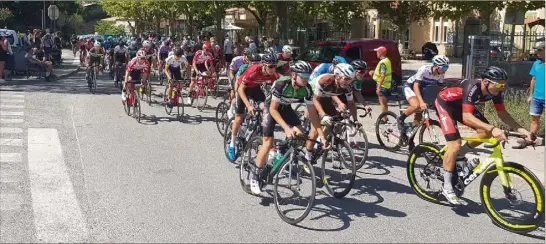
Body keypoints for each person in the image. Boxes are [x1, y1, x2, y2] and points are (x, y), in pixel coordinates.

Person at [434, 66, 531, 205]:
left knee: (484, 132)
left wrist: (521, 129)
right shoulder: (473, 86)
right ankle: (447, 187)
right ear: (485, 81)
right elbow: (467, 117)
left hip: (461, 107)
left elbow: (502, 114)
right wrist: (493, 129)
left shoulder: (495, 91)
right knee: (454, 145)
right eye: (498, 84)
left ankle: (460, 155)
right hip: (445, 104)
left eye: (504, 84)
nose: (501, 88)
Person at [250, 61, 323, 194]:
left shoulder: (307, 89)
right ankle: (254, 176)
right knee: (267, 143)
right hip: (271, 108)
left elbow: (313, 114)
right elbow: (273, 109)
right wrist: (286, 128)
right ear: (294, 75)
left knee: (300, 133)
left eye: (308, 77)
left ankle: (281, 150)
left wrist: (322, 136)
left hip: (286, 108)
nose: (306, 80)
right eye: (304, 77)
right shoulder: (282, 84)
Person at [226, 53, 280, 161]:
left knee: (265, 111)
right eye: (270, 66)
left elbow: (278, 88)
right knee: (239, 117)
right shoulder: (253, 70)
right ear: (264, 65)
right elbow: (241, 89)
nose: (273, 69)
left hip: (255, 89)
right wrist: (249, 106)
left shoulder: (273, 74)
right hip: (243, 89)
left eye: (275, 66)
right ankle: (232, 144)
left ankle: (263, 139)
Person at [397, 55, 450, 140]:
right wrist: (421, 102)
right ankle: (400, 119)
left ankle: (410, 140)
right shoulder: (424, 69)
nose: (445, 70)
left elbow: (440, 89)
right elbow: (415, 86)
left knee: (418, 118)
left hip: (420, 89)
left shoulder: (440, 74)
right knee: (416, 105)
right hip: (410, 86)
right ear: (436, 66)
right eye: (444, 67)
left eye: (447, 67)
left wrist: (441, 102)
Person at [519, 38, 545, 147]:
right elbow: (533, 79)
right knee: (534, 119)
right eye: (536, 50)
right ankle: (530, 138)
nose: (536, 53)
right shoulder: (536, 64)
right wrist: (530, 95)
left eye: (539, 50)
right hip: (536, 97)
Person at [369, 46, 393, 117]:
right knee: (384, 103)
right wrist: (373, 72)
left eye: (377, 52)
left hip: (382, 86)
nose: (376, 53)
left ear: (380, 53)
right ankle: (385, 117)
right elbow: (383, 72)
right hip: (387, 85)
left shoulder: (383, 63)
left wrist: (378, 87)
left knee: (382, 103)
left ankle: (384, 118)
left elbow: (383, 75)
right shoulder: (387, 60)